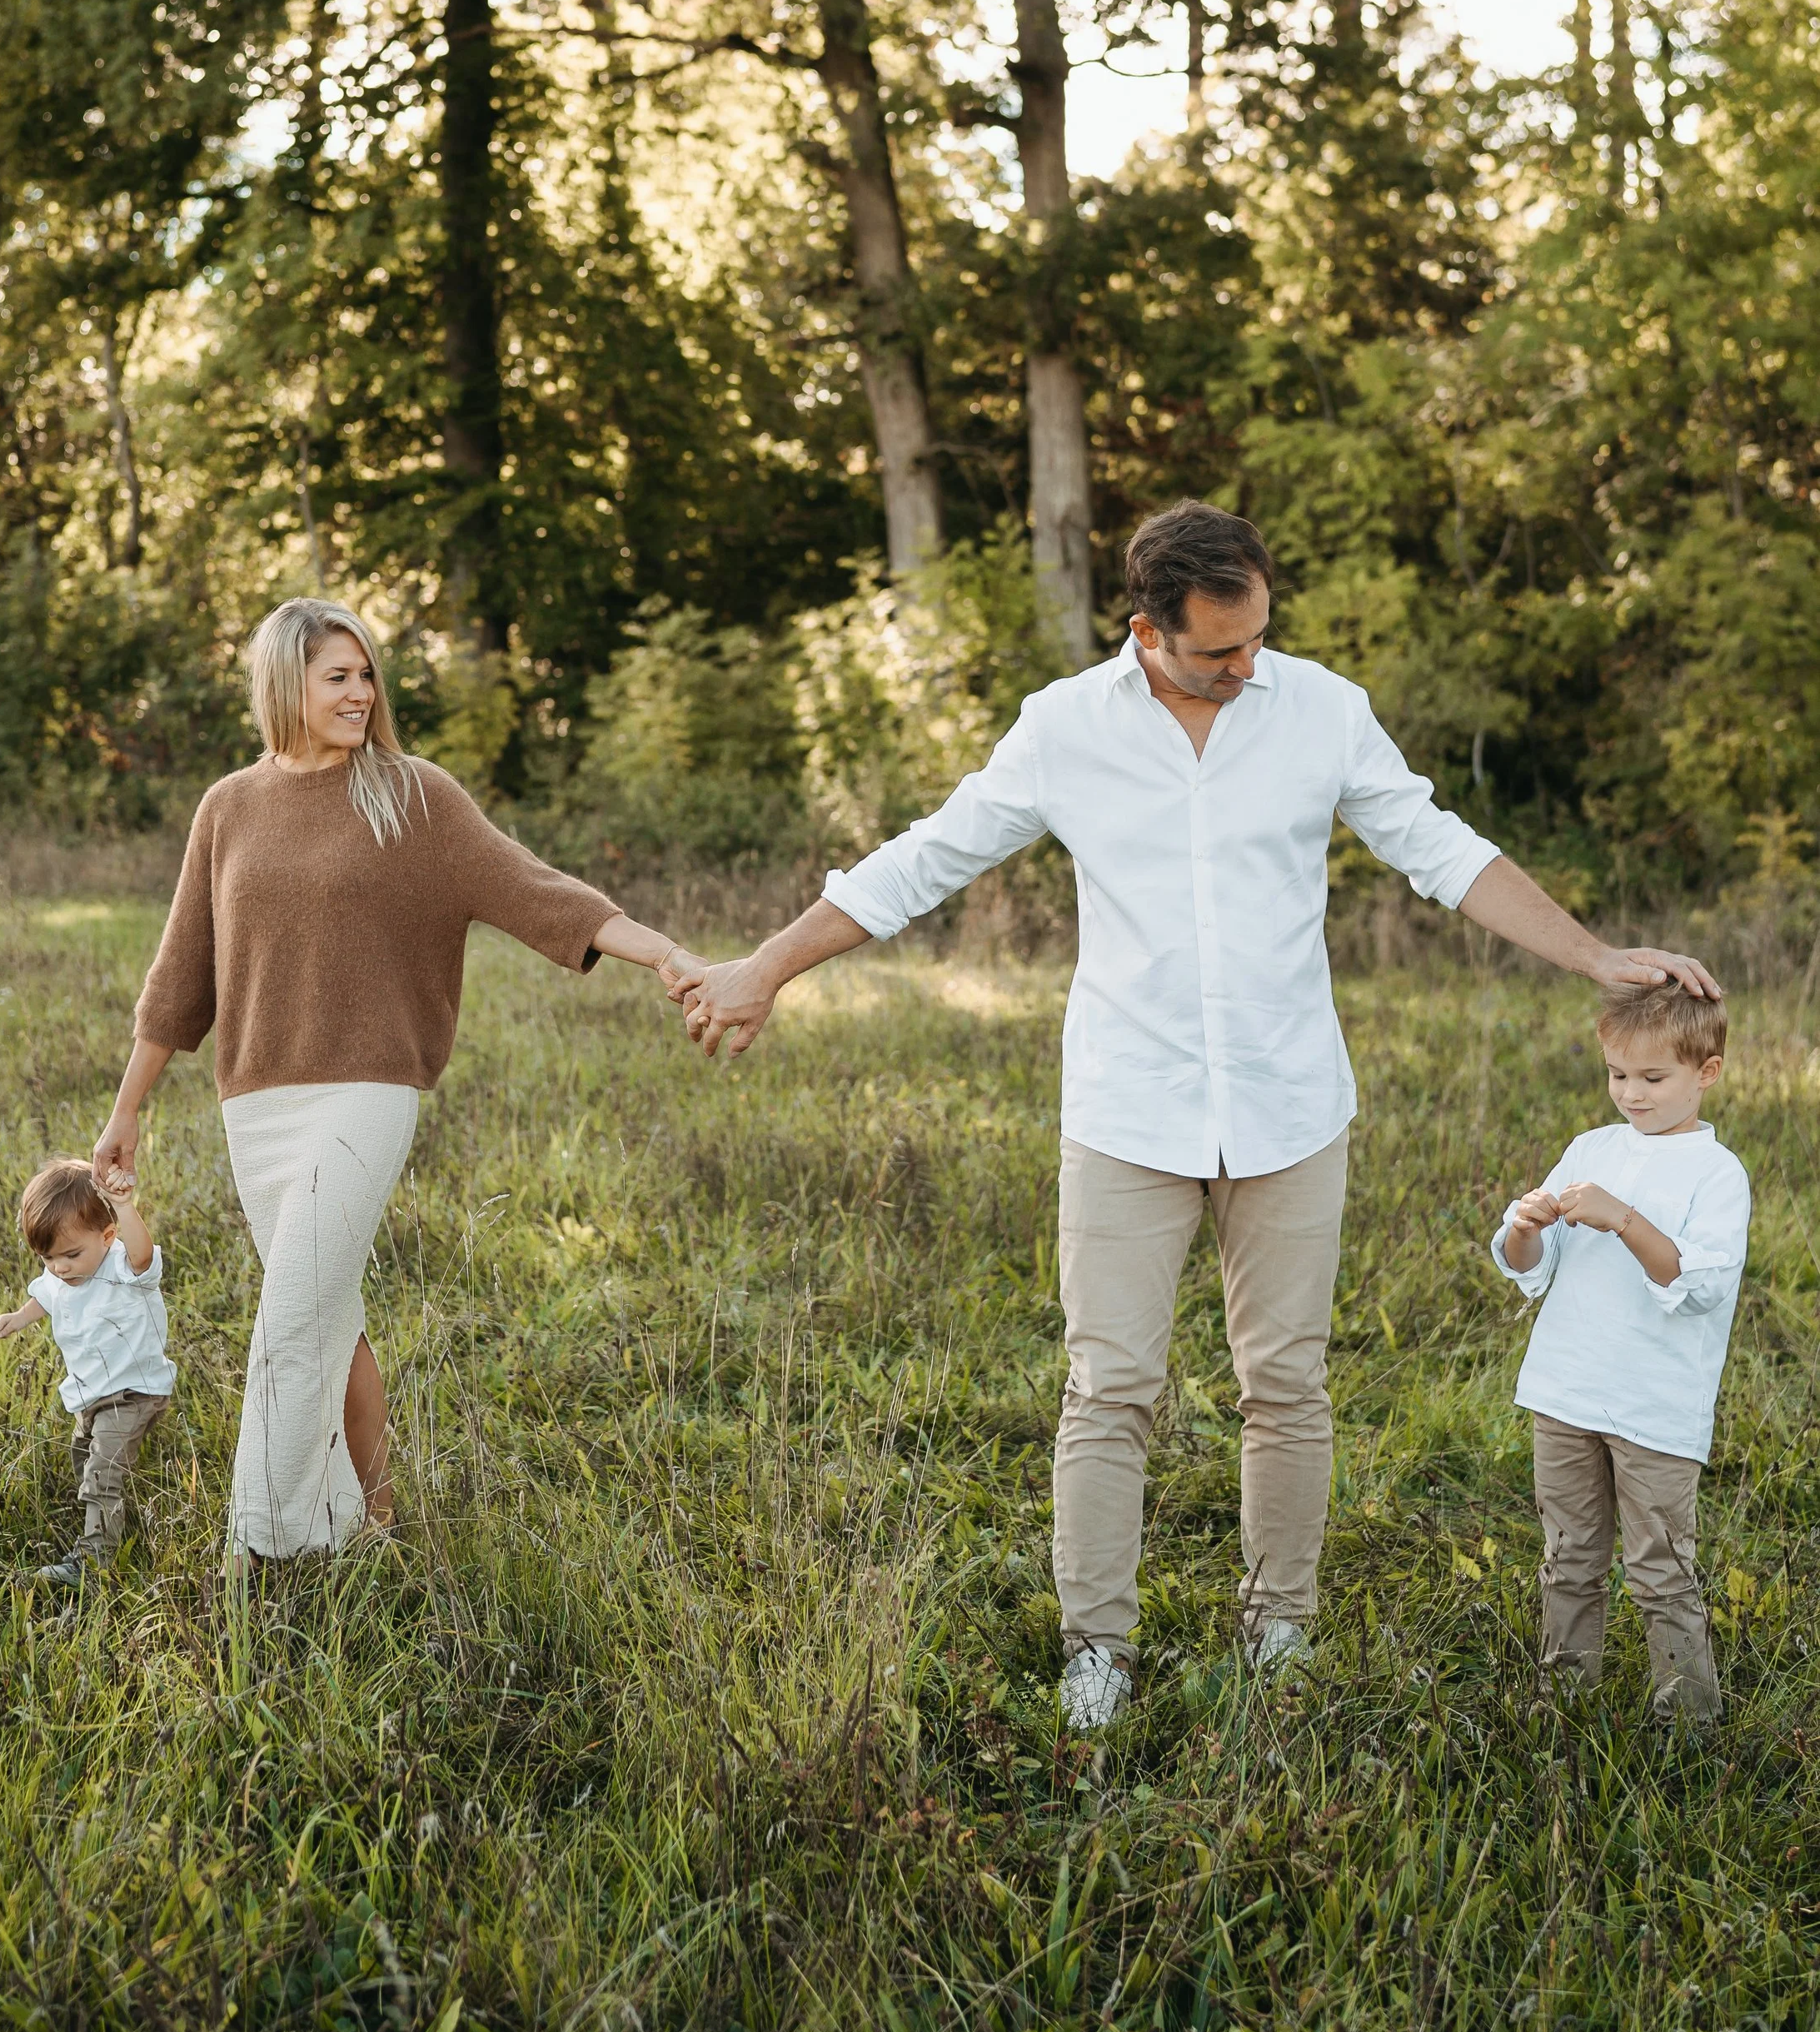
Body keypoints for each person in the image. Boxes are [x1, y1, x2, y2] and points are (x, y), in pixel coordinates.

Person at [675, 500, 1719, 1730]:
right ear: (1148, 630)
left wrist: (1592, 954)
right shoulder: (1064, 728)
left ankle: (1280, 1626)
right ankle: (1097, 1653)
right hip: (1129, 1106)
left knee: (1287, 1385)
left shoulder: (1320, 706)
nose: (1246, 667)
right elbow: (922, 861)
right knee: (1109, 1385)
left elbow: (1439, 847)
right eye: (1220, 650)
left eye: (1258, 638)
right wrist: (766, 966)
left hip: (1290, 1102)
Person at [92, 597, 701, 1566]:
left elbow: (535, 889)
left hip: (365, 1096)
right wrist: (127, 1110)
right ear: (284, 682)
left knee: (290, 1319)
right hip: (255, 1105)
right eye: (338, 676)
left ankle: (262, 1552)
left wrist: (666, 955)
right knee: (331, 1314)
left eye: (367, 675)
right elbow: (180, 976)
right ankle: (374, 1522)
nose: (360, 693)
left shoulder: (411, 795)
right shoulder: (229, 807)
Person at [1489, 984, 1746, 1725]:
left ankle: (1688, 1724)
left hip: (1653, 1408)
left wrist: (1623, 1218)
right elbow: (1531, 1266)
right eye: (1617, 1075)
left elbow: (1694, 1285)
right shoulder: (1591, 1148)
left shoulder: (1716, 1174)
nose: (1630, 1094)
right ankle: (1563, 1700)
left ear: (1707, 1072)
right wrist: (1527, 1226)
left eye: (1652, 1078)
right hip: (1566, 1390)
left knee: (1660, 1569)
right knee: (1568, 1556)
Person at [0, 1156, 177, 1588]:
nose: (60, 1267)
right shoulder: (61, 1273)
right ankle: (114, 1520)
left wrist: (124, 1207)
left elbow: (143, 1253)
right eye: (48, 1257)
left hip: (134, 1393)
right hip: (89, 1395)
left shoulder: (121, 1267)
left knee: (101, 1472)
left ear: (107, 1235)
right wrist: (20, 1316)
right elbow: (47, 1294)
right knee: (85, 1459)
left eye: (71, 1255)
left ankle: (94, 1565)